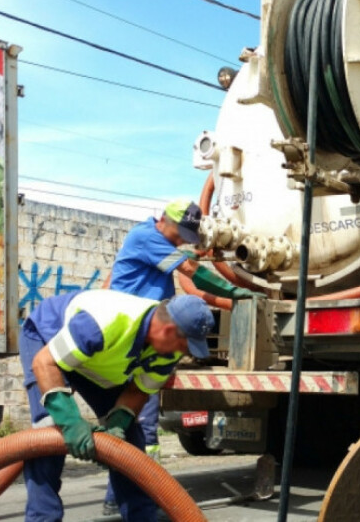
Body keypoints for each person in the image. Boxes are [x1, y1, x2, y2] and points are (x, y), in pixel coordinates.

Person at [102, 198, 261, 515]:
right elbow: (188, 268)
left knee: (138, 423)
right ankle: (133, 497)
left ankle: (127, 495)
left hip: (147, 340)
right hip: (129, 338)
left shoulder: (158, 243)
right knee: (139, 423)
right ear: (163, 221)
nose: (181, 241)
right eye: (180, 234)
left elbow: (187, 266)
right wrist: (235, 292)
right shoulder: (146, 236)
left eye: (186, 237)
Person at [20, 289, 214, 522]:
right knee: (49, 434)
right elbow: (44, 362)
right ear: (169, 330)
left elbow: (138, 390)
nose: (183, 354)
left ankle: (141, 518)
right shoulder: (105, 322)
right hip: (47, 340)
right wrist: (70, 422)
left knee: (130, 441)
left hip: (95, 364)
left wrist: (119, 422)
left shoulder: (168, 352)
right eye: (184, 346)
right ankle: (42, 518)